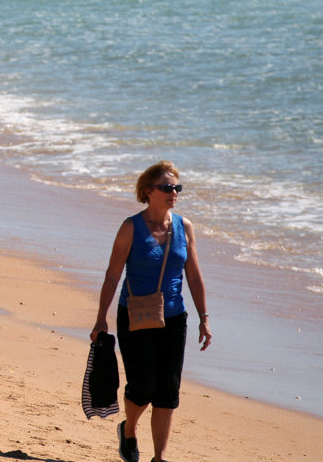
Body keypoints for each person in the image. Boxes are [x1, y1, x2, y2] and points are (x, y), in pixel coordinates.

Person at [91, 161, 211, 462]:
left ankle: (159, 457)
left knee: (168, 392)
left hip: (173, 317)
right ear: (148, 191)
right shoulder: (131, 227)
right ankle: (129, 429)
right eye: (167, 188)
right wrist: (100, 317)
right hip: (134, 316)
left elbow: (194, 276)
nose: (174, 193)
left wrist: (203, 318)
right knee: (142, 386)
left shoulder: (184, 227)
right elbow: (112, 275)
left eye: (177, 188)